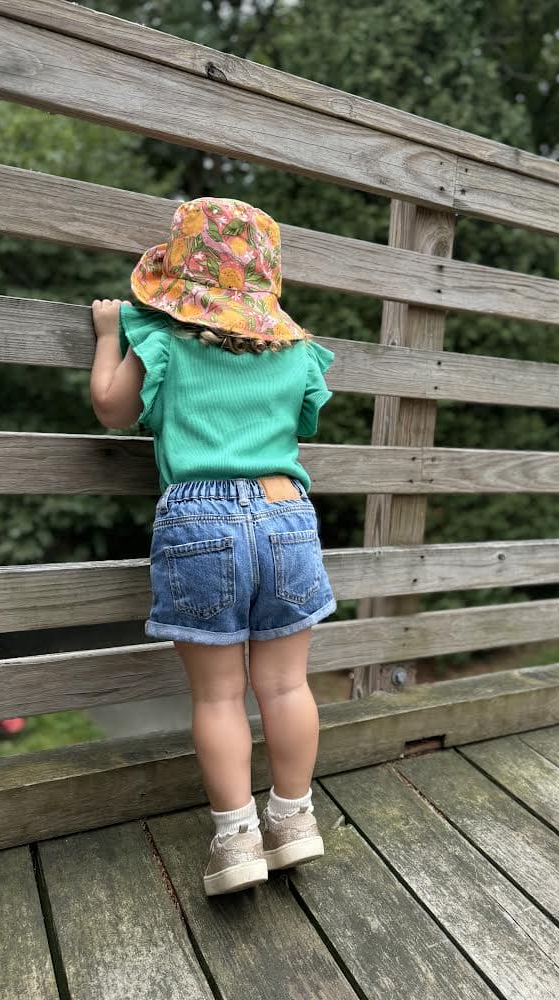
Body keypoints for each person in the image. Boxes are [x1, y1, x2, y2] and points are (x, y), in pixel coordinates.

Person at [88, 197, 337, 897]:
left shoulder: (161, 340)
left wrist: (109, 334)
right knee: (286, 685)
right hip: (287, 513)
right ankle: (294, 820)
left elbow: (111, 408)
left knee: (219, 695)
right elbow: (307, 418)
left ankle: (236, 841)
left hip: (199, 520)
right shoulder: (298, 352)